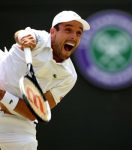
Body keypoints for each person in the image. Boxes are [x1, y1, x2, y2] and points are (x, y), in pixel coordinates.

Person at [0, 10, 90, 150]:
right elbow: (22, 34)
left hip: (19, 128)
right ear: (53, 32)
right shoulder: (40, 39)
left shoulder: (69, 76)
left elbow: (34, 112)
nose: (74, 36)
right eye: (68, 30)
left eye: (79, 33)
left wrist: (2, 95)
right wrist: (22, 37)